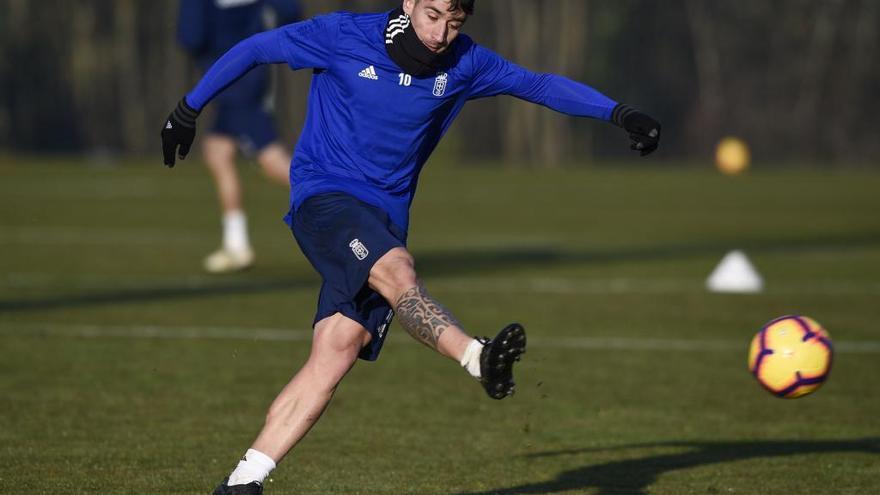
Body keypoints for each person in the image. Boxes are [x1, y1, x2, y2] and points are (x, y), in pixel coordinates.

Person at [160, 0, 661, 493]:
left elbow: (540, 85)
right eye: (433, 15)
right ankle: (476, 358)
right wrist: (189, 107)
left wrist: (619, 112)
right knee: (400, 272)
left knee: (337, 350)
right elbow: (253, 48)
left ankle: (243, 482)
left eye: (454, 21)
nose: (441, 34)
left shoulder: (465, 62)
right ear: (409, 3)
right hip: (325, 201)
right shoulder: (342, 36)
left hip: (386, 221)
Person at [177, 0, 301, 274]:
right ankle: (236, 244)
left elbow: (191, 35)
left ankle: (347, 202)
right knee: (217, 151)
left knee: (273, 161)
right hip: (254, 72)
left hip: (230, 77)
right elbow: (289, 11)